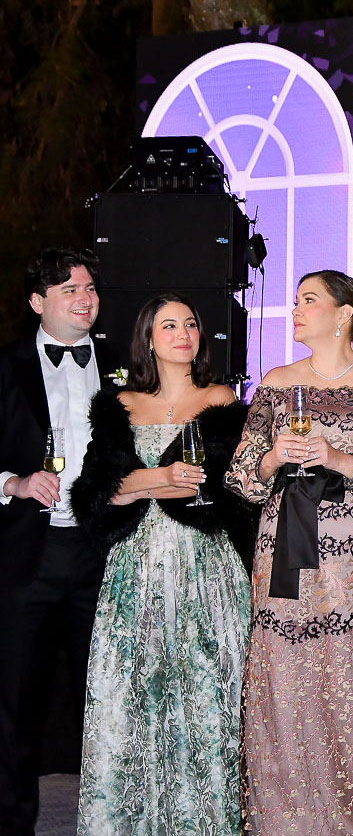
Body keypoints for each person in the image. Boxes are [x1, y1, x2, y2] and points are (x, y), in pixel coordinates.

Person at [225, 270, 353, 835]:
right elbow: (239, 477)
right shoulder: (276, 383)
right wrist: (273, 458)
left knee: (343, 684)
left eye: (308, 299)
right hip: (281, 551)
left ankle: (338, 820)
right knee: (280, 684)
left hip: (351, 562)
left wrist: (339, 460)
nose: (296, 308)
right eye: (295, 300)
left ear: (343, 314)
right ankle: (277, 823)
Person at [69, 294, 252, 834]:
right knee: (130, 697)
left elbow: (226, 491)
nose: (183, 334)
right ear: (148, 338)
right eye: (169, 325)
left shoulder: (221, 400)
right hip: (135, 569)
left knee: (207, 700)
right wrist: (162, 479)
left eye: (190, 324)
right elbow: (94, 494)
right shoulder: (119, 405)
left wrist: (142, 486)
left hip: (205, 568)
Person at [0, 248, 120, 836]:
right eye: (68, 288)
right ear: (36, 301)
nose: (84, 298)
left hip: (104, 553)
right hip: (28, 555)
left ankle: (110, 821)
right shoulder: (6, 366)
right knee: (15, 702)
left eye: (89, 287)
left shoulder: (125, 365)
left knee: (108, 700)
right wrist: (14, 483)